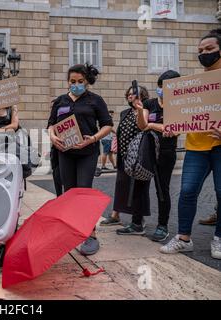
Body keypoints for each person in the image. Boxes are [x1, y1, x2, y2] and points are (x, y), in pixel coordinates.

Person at [160, 29, 221, 260]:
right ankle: (183, 238)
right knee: (187, 191)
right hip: (196, 146)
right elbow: (184, 114)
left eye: (209, 49)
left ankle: (219, 239)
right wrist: (171, 126)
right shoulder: (192, 85)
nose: (204, 54)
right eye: (200, 51)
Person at [48, 63, 113, 255]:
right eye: (72, 81)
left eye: (80, 81)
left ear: (86, 82)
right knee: (69, 193)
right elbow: (51, 124)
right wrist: (52, 136)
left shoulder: (95, 100)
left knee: (83, 191)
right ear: (68, 82)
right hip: (64, 152)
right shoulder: (60, 101)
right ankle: (71, 230)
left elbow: (107, 125)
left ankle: (90, 235)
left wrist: (92, 138)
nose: (75, 84)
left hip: (87, 152)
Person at [133, 70, 181, 242]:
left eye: (165, 86)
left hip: (166, 152)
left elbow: (174, 129)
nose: (161, 89)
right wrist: (140, 111)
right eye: (160, 86)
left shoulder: (179, 105)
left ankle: (163, 226)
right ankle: (136, 222)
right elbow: (142, 125)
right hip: (147, 150)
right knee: (139, 185)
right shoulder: (149, 103)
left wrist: (152, 124)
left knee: (162, 189)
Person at [101, 85, 150, 233]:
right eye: (128, 94)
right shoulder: (124, 113)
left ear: (141, 96)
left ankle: (139, 219)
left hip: (137, 157)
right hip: (123, 156)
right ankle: (116, 214)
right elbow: (120, 132)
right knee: (121, 184)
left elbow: (143, 127)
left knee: (138, 187)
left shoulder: (145, 110)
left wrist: (140, 110)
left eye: (133, 94)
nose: (130, 96)